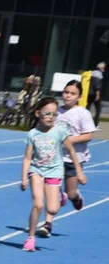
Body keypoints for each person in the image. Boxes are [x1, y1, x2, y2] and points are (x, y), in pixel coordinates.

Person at [20, 97, 85, 251]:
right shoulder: (32, 134)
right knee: (38, 204)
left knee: (53, 209)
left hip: (54, 171)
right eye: (47, 113)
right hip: (36, 170)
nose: (51, 117)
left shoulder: (60, 132)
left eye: (54, 114)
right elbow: (28, 158)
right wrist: (24, 178)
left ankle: (60, 195)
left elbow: (71, 150)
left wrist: (79, 172)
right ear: (38, 114)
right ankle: (30, 238)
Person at [57, 79, 95, 211]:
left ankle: (76, 197)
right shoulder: (57, 111)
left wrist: (69, 140)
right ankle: (48, 221)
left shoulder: (83, 113)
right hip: (56, 156)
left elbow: (88, 135)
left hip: (74, 158)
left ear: (79, 97)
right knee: (51, 187)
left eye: (72, 93)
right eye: (66, 92)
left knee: (70, 193)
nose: (68, 95)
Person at [89, 62, 104, 127]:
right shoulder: (98, 75)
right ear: (101, 68)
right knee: (98, 109)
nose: (104, 69)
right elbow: (97, 86)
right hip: (95, 94)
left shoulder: (91, 73)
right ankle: (95, 124)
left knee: (87, 108)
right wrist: (98, 95)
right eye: (103, 67)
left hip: (89, 93)